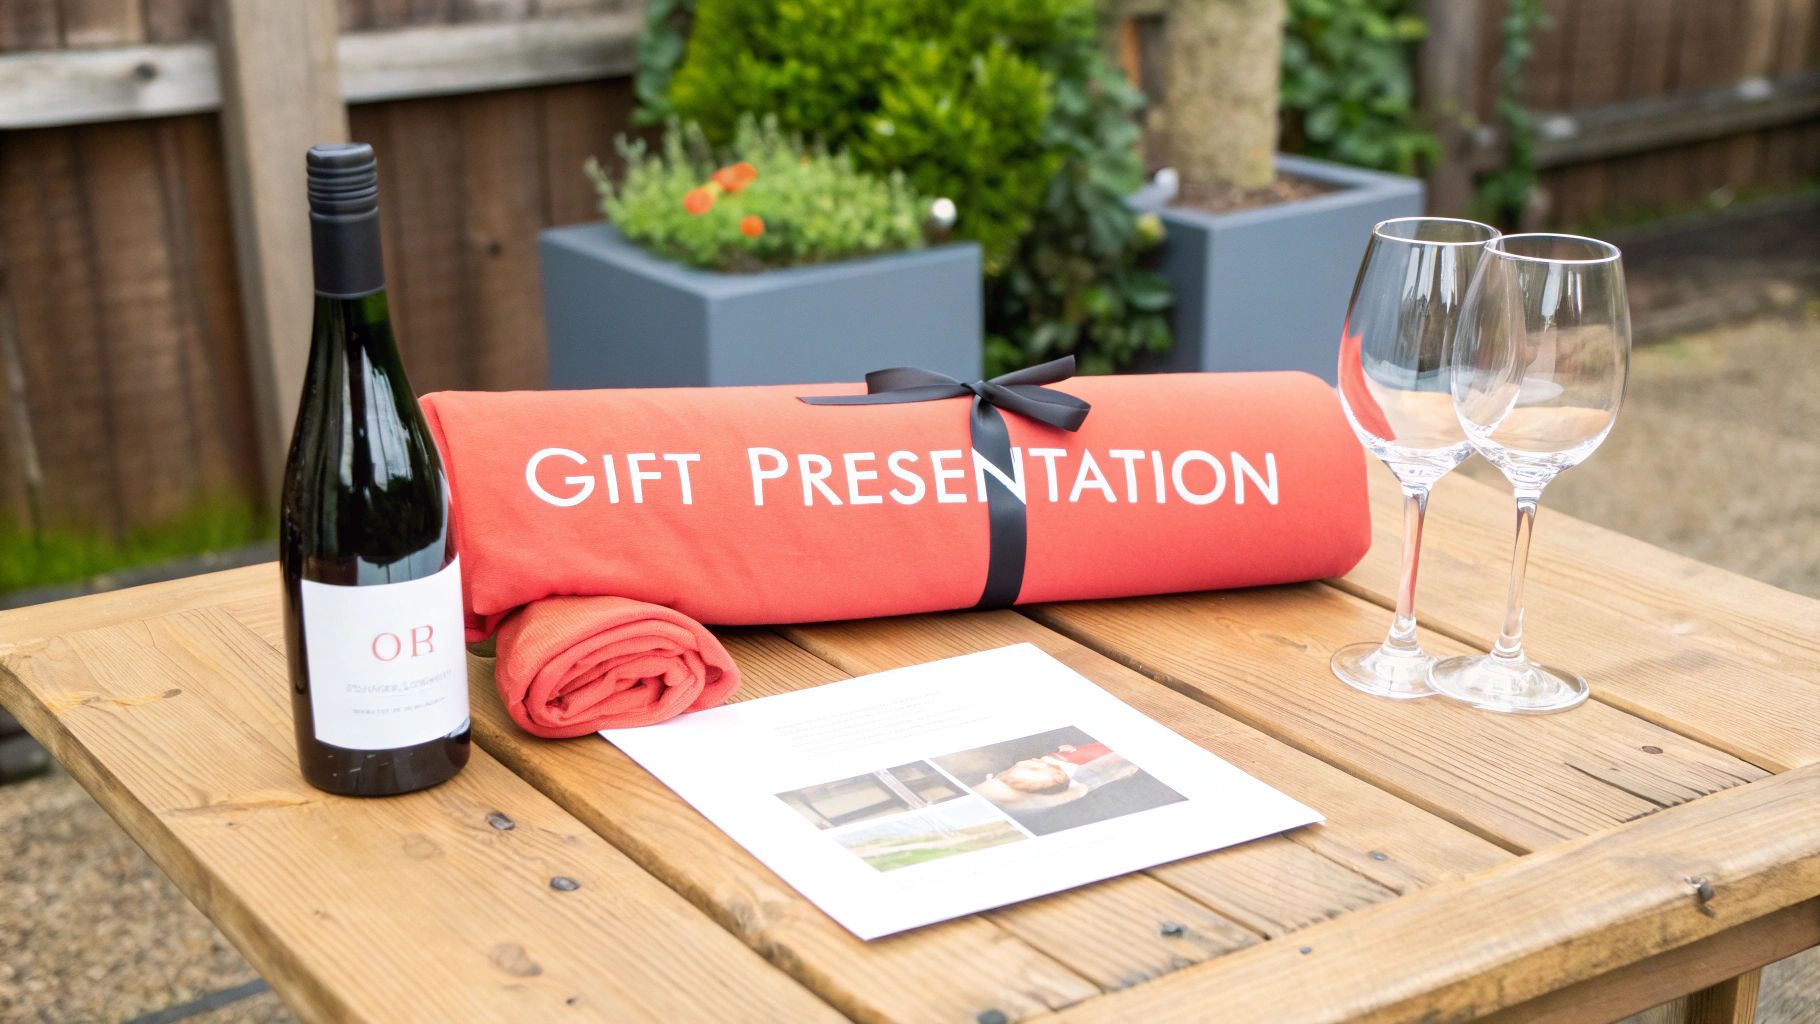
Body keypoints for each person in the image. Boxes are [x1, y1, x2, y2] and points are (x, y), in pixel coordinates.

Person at [971, 742, 1137, 812]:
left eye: (1026, 764)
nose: (1033, 761)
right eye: (1035, 769)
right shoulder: (1093, 773)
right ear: (1059, 778)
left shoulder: (1044, 750)